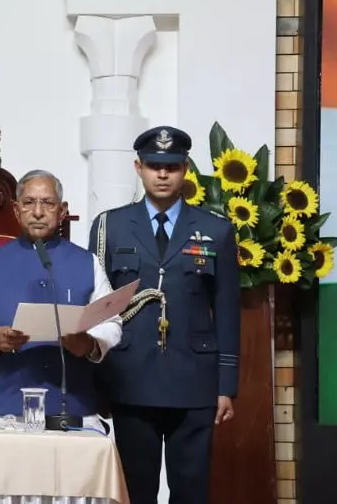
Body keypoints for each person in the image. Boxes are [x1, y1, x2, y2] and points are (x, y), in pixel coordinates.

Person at [88, 126, 240, 504]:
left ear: (185, 169)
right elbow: (96, 307)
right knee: (133, 489)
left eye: (171, 166)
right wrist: (95, 383)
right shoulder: (110, 226)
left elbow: (226, 308)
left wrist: (226, 385)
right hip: (129, 376)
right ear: (138, 167)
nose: (162, 174)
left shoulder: (215, 230)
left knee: (191, 489)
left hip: (194, 379)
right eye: (154, 165)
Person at [0, 170, 122, 431]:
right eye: (29, 202)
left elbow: (112, 322)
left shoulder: (87, 263)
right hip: (5, 409)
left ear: (62, 210)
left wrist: (89, 344)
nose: (37, 211)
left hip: (75, 408)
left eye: (47, 203)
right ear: (16, 209)